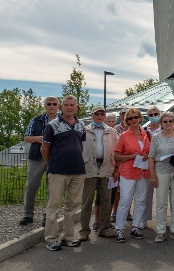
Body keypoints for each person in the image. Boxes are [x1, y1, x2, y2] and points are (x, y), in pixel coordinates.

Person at [41, 95, 86, 251]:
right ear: (62, 107)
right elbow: (44, 149)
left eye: (72, 105)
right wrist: (50, 166)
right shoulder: (52, 125)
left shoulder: (81, 125)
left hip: (78, 171)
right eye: (66, 105)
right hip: (58, 171)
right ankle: (51, 239)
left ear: (76, 106)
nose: (69, 107)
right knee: (53, 206)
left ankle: (68, 236)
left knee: (72, 206)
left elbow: (81, 146)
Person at [149, 111, 174, 242]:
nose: (168, 123)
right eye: (165, 121)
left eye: (170, 121)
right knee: (161, 203)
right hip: (161, 171)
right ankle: (160, 231)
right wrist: (152, 176)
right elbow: (151, 157)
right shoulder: (156, 137)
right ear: (161, 123)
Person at [79, 106, 118, 241]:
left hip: (107, 167)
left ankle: (104, 228)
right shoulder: (84, 130)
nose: (100, 116)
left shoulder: (111, 131)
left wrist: (116, 167)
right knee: (87, 200)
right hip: (89, 167)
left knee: (106, 200)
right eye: (97, 114)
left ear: (105, 116)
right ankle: (84, 230)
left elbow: (117, 149)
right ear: (92, 115)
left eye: (102, 114)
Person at [20, 96, 60, 226]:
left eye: (54, 104)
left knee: (52, 189)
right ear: (45, 106)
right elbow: (26, 137)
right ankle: (28, 214)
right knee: (31, 186)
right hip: (37, 157)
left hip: (55, 158)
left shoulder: (62, 121)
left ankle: (48, 216)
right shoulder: (36, 120)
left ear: (58, 106)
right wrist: (38, 138)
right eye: (49, 104)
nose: (52, 106)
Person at [113, 108, 151, 243]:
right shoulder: (124, 136)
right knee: (125, 200)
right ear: (127, 121)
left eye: (136, 117)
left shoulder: (146, 134)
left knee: (141, 201)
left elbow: (150, 151)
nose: (133, 120)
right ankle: (120, 229)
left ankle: (135, 227)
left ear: (140, 118)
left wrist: (147, 155)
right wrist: (130, 156)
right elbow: (116, 155)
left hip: (143, 172)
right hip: (128, 172)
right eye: (130, 118)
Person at [140, 106, 163, 230]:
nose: (154, 116)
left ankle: (162, 219)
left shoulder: (165, 127)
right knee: (146, 194)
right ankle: (144, 218)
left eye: (156, 113)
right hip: (148, 165)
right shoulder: (144, 130)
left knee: (162, 194)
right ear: (147, 117)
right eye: (151, 114)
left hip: (164, 164)